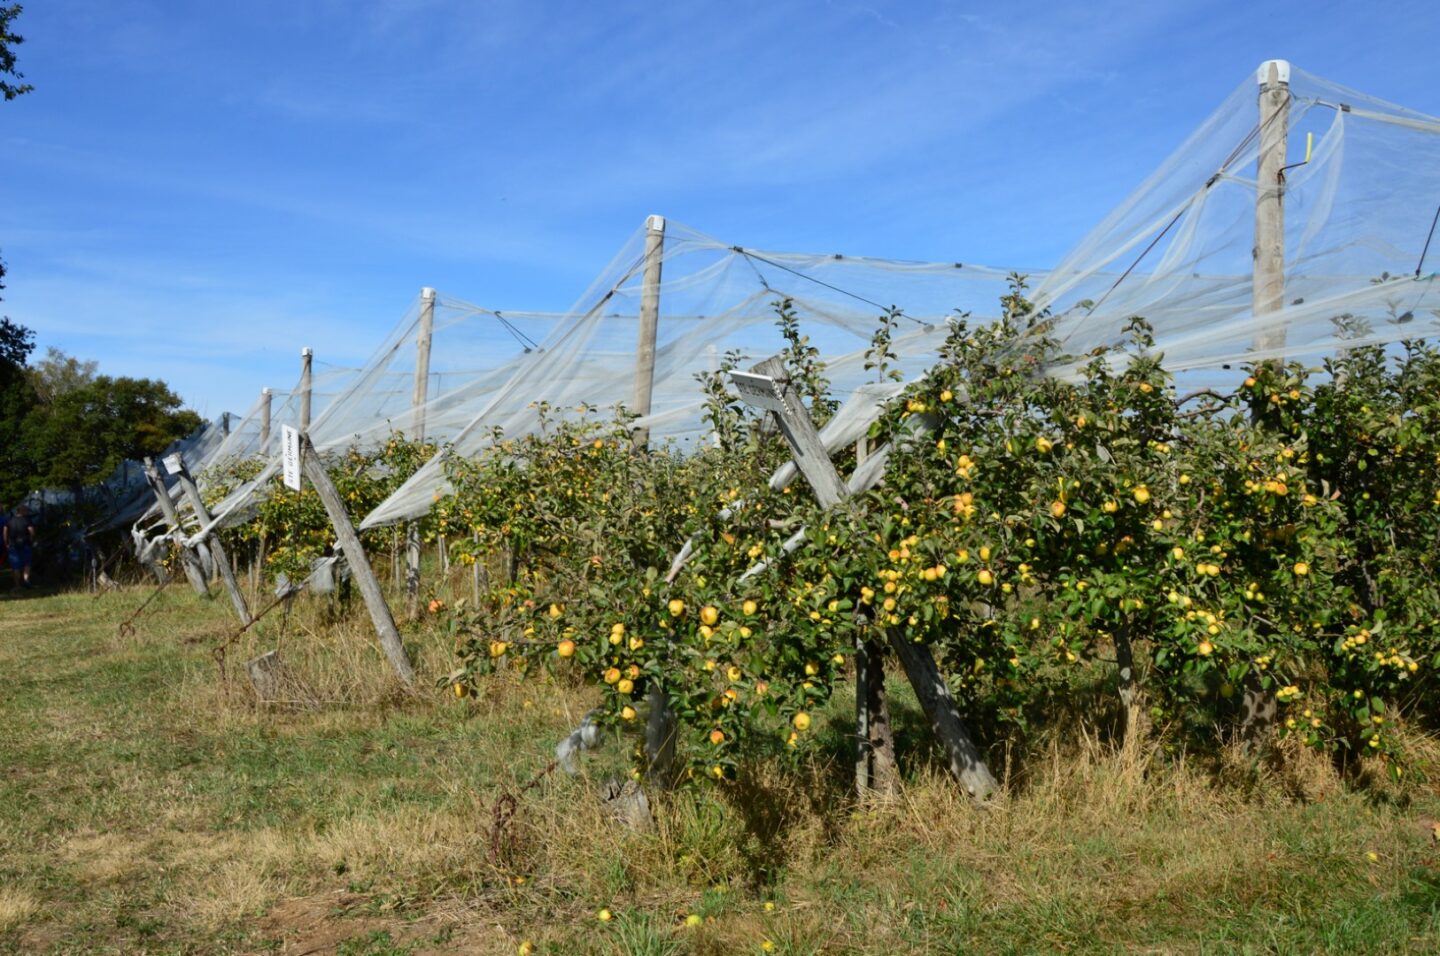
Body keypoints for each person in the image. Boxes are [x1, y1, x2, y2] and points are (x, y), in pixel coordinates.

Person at [4, 504, 36, 590]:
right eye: (26, 510)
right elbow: (32, 532)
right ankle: (26, 580)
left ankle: (17, 585)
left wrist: (6, 543)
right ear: (22, 511)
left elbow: (5, 532)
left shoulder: (9, 520)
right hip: (25, 544)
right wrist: (31, 540)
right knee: (27, 564)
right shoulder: (27, 520)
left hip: (12, 545)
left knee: (15, 566)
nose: (27, 512)